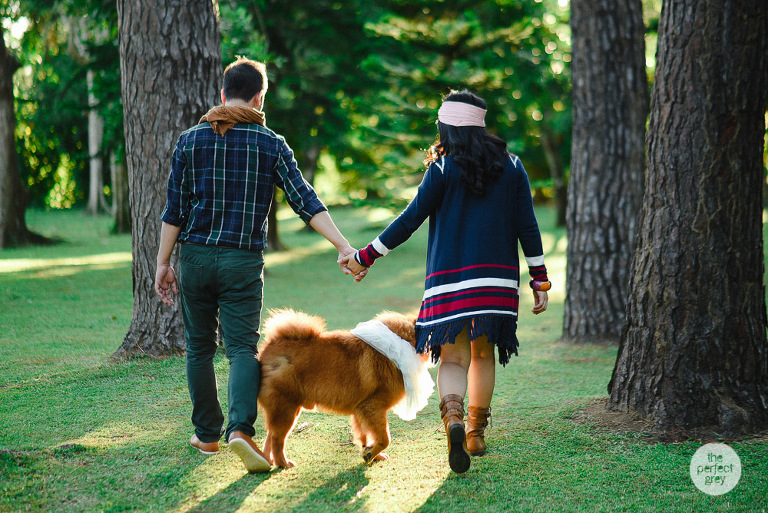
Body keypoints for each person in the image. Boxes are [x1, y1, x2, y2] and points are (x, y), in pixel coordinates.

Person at [154, 57, 356, 473]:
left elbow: (174, 210)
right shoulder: (271, 143)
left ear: (224, 93)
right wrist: (343, 245)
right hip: (242, 261)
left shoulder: (190, 141)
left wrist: (162, 262)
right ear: (260, 96)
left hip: (193, 256)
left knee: (199, 348)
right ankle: (240, 431)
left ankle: (207, 435)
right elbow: (306, 202)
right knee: (242, 348)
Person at [342, 90, 550, 474]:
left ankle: (452, 419)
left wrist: (364, 257)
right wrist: (540, 278)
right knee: (484, 355)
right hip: (497, 284)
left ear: (447, 127)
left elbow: (409, 220)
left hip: (448, 284)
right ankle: (475, 432)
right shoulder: (513, 165)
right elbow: (528, 226)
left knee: (453, 357)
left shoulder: (442, 168)